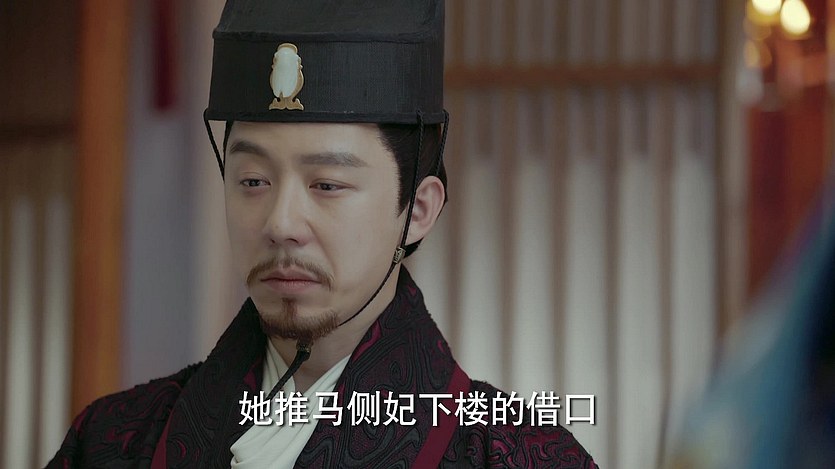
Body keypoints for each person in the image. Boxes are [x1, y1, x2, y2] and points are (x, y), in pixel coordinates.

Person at [49, 0, 597, 467]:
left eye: (327, 185)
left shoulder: (513, 454)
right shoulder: (113, 440)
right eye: (253, 181)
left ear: (418, 209)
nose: (281, 224)